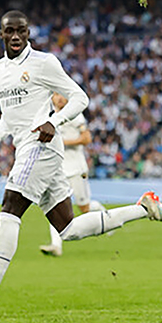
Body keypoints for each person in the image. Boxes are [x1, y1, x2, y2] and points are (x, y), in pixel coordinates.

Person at [0, 10, 162, 319]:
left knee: (10, 207)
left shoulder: (44, 63)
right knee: (67, 228)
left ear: (29, 32)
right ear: (1, 34)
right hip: (27, 148)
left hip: (41, 147)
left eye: (22, 31)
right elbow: (11, 112)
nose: (16, 36)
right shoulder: (0, 68)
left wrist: (53, 122)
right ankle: (144, 208)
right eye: (10, 32)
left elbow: (79, 97)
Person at [39, 92, 107, 257]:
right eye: (56, 95)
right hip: (59, 169)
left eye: (62, 94)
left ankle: (103, 214)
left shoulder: (75, 114)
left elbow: (86, 138)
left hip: (77, 167)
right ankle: (56, 246)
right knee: (55, 205)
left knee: (85, 208)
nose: (60, 98)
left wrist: (62, 142)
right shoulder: (48, 115)